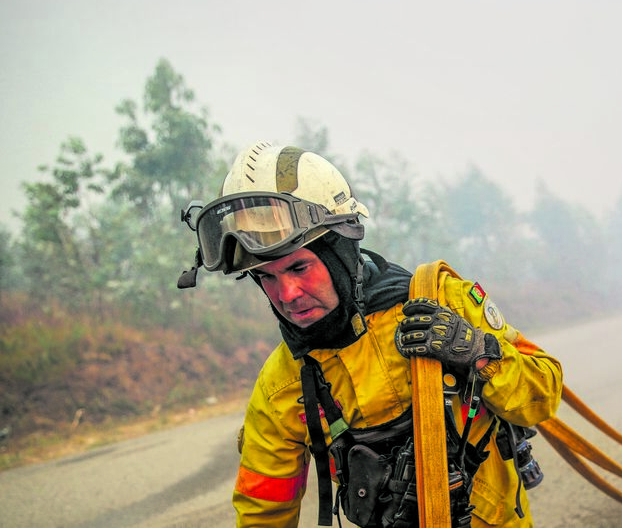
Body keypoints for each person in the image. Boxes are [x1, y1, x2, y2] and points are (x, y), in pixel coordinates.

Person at [177, 141, 563, 528]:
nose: (286, 295)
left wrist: (477, 352)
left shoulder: (443, 302)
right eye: (266, 277)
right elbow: (263, 514)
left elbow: (541, 399)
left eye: (298, 268)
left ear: (339, 252)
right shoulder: (282, 386)